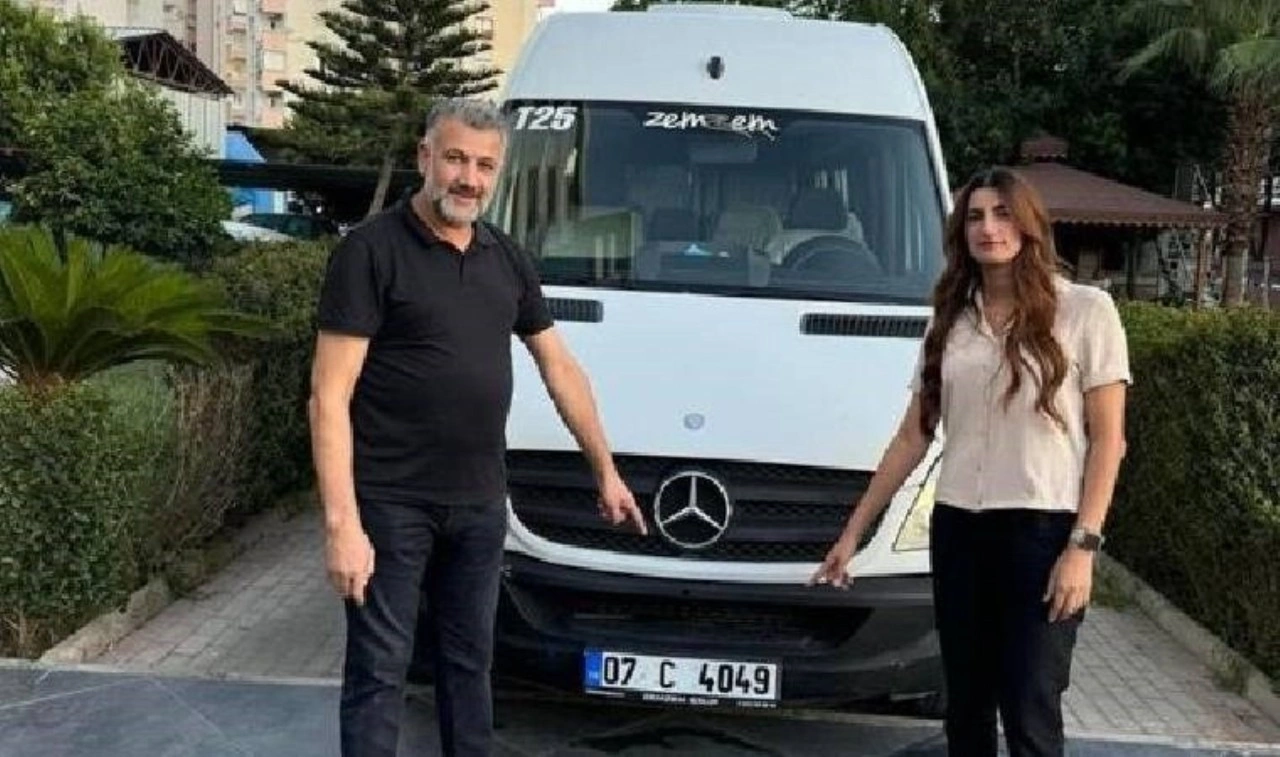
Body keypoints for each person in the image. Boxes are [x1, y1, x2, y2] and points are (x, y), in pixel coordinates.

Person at [308, 97, 648, 757]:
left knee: (470, 667)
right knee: (379, 670)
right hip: (390, 503)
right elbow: (328, 396)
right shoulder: (370, 252)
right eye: (456, 159)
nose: (469, 178)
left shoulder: (506, 258)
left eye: (485, 166)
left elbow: (560, 368)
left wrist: (605, 471)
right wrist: (341, 524)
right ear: (425, 157)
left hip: (480, 504)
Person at [809, 167, 1130, 757]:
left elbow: (1110, 441)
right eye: (976, 216)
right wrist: (853, 534)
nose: (989, 228)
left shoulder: (1086, 311)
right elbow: (913, 436)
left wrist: (1082, 548)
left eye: (1003, 214)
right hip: (959, 529)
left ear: (1029, 224)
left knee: (1031, 704)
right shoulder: (951, 316)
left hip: (1042, 533)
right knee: (966, 706)